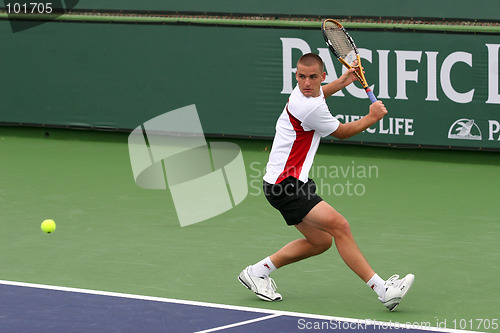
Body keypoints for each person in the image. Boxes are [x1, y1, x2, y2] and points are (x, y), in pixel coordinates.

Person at [238, 53, 414, 311]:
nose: (306, 83)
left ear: (322, 77)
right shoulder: (309, 106)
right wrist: (372, 117)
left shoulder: (307, 96)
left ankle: (256, 272)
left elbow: (319, 94)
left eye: (312, 77)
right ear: (295, 76)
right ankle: (383, 290)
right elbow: (342, 132)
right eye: (301, 77)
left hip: (288, 182)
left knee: (320, 242)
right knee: (340, 226)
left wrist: (343, 82)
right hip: (285, 186)